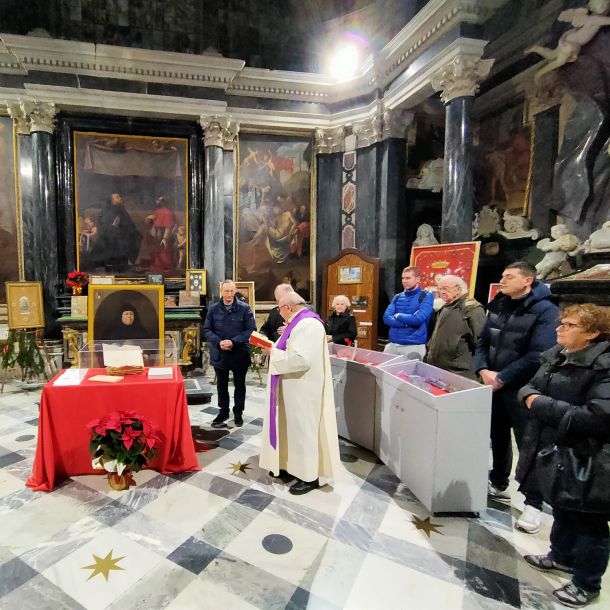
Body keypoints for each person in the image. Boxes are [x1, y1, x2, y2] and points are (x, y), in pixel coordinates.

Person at [517, 304, 610, 608]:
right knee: (561, 506)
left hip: (589, 455)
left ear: (593, 333)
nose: (560, 329)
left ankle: (586, 584)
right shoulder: (557, 354)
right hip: (556, 445)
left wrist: (540, 403)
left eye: (569, 325)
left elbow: (599, 416)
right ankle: (561, 557)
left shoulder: (604, 365)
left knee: (588, 522)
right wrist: (532, 396)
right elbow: (529, 386)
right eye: (561, 323)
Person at [474, 261, 559, 534]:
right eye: (502, 274)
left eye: (508, 276)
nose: (502, 280)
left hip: (523, 388)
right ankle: (499, 481)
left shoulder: (545, 310)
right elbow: (482, 341)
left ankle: (533, 503)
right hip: (493, 382)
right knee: (497, 436)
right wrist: (483, 369)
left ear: (527, 280)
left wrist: (502, 377)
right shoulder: (498, 304)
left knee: (528, 444)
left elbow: (539, 354)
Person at [259, 291, 340, 495]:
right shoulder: (298, 323)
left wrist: (272, 352)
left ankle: (309, 476)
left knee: (303, 431)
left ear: (288, 307)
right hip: (292, 387)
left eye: (279, 307)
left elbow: (301, 360)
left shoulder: (308, 325)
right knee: (291, 430)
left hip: (303, 390)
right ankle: (289, 466)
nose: (279, 312)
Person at [203, 280, 256, 428]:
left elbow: (250, 330)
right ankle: (223, 411)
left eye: (231, 291)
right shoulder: (213, 309)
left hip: (239, 353)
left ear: (235, 291)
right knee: (221, 385)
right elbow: (207, 329)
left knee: (240, 385)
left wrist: (233, 342)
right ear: (221, 291)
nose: (229, 294)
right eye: (226, 291)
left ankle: (238, 413)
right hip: (220, 353)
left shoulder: (245, 309)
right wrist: (218, 342)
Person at [425, 275, 486, 379]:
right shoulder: (444, 307)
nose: (441, 292)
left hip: (458, 372)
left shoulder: (472, 309)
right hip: (438, 369)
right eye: (439, 289)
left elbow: (481, 342)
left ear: (458, 289)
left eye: (445, 288)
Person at [383, 266, 434, 360]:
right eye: (403, 278)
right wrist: (407, 323)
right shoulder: (397, 297)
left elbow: (418, 319)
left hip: (413, 346)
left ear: (417, 279)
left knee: (410, 374)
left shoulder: (426, 295)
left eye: (408, 278)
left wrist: (398, 315)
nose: (404, 281)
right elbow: (386, 318)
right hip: (393, 345)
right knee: (384, 374)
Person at [97, 192, 142, 273]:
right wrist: (113, 226)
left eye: (119, 196)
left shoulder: (121, 210)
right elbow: (104, 226)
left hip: (123, 236)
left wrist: (133, 232)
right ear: (112, 200)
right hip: (112, 238)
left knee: (136, 236)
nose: (120, 198)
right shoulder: (108, 211)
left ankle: (126, 264)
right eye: (117, 197)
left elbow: (128, 224)